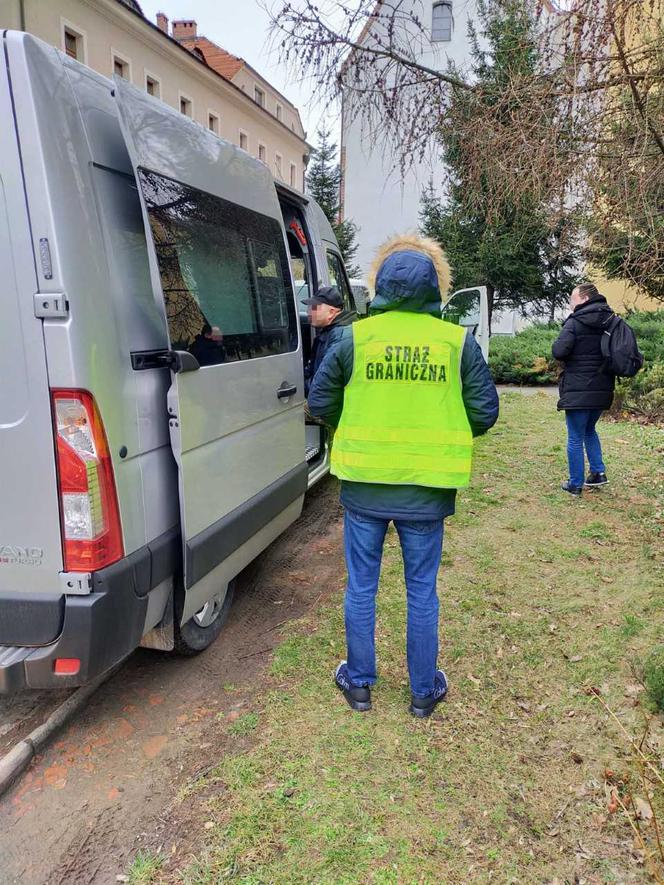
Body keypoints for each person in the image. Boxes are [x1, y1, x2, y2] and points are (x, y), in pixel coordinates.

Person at [307, 235, 499, 718]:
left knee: (361, 587)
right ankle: (422, 692)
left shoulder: (354, 338)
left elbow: (319, 403)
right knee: (421, 590)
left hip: (364, 485)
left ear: (380, 286)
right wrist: (439, 428)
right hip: (427, 489)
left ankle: (359, 684)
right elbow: (485, 411)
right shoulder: (457, 341)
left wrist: (355, 426)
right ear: (435, 287)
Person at [552, 282, 615, 496]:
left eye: (573, 298)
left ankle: (575, 484)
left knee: (575, 436)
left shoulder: (575, 322)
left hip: (578, 389)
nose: (571, 303)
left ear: (585, 299)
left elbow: (559, 351)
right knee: (590, 429)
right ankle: (598, 473)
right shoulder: (610, 320)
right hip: (602, 387)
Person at [303, 286, 355, 395]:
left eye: (314, 308)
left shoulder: (339, 336)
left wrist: (303, 388)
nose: (308, 312)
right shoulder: (329, 332)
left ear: (331, 312)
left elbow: (326, 382)